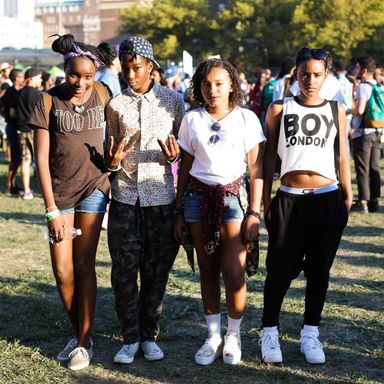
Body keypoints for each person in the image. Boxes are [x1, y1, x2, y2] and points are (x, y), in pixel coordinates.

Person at [259, 47, 352, 365]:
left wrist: (348, 195)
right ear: (295, 75)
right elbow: (268, 159)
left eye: (316, 74)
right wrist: (263, 201)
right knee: (280, 271)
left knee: (318, 271)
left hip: (327, 198)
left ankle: (310, 332)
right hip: (289, 199)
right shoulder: (278, 108)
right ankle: (269, 331)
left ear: (327, 75)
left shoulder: (336, 109)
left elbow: (341, 155)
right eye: (304, 74)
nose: (310, 80)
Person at [29, 34, 113, 371]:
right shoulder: (47, 101)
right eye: (75, 75)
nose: (81, 83)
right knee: (62, 271)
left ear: (96, 75)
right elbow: (41, 158)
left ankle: (82, 341)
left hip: (94, 187)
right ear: (65, 71)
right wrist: (51, 210)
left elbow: (117, 135)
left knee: (83, 265)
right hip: (60, 193)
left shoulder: (106, 94)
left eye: (88, 76)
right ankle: (80, 333)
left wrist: (114, 162)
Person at [174, 58, 265, 366]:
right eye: (206, 84)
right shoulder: (191, 119)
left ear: (231, 86)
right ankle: (213, 335)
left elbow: (257, 169)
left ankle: (233, 335)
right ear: (199, 87)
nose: (212, 90)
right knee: (208, 270)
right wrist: (177, 208)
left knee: (234, 272)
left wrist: (255, 212)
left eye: (219, 83)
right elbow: (184, 167)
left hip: (233, 200)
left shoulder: (247, 119)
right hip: (198, 200)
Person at [104, 36, 184, 365]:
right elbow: (110, 156)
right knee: (124, 272)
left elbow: (184, 151)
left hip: (161, 197)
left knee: (155, 271)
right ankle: (129, 337)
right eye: (126, 69)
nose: (130, 75)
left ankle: (149, 335)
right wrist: (111, 164)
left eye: (136, 68)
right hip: (124, 197)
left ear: (151, 67)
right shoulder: (115, 105)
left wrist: (175, 157)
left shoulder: (173, 102)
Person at [350, 56, 383, 213]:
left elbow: (360, 110)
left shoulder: (363, 87)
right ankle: (374, 201)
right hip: (378, 131)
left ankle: (363, 201)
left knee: (362, 168)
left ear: (364, 70)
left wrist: (350, 110)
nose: (355, 70)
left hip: (363, 132)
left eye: (357, 68)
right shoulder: (379, 85)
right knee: (374, 166)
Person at [15, 67, 43, 199]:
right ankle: (42, 189)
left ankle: (27, 190)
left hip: (21, 129)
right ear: (32, 79)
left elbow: (13, 112)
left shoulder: (19, 93)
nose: (41, 80)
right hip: (35, 131)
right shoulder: (37, 95)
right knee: (40, 159)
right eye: (39, 77)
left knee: (25, 160)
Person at [1, 68, 24, 195]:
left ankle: (12, 184)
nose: (23, 79)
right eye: (21, 77)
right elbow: (11, 112)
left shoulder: (13, 91)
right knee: (15, 159)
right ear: (16, 79)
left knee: (17, 159)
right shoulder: (11, 92)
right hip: (13, 127)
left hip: (13, 126)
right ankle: (8, 186)